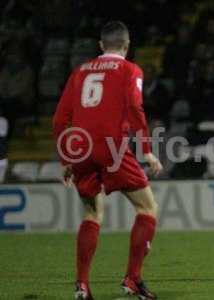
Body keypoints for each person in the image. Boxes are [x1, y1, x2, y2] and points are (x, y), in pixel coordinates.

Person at [53, 21, 162, 300]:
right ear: (127, 45)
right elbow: (135, 106)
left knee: (91, 214)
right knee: (147, 208)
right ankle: (132, 279)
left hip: (80, 149)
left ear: (101, 45)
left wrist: (66, 158)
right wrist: (146, 149)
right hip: (111, 147)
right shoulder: (130, 70)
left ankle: (82, 285)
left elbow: (59, 118)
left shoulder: (80, 71)